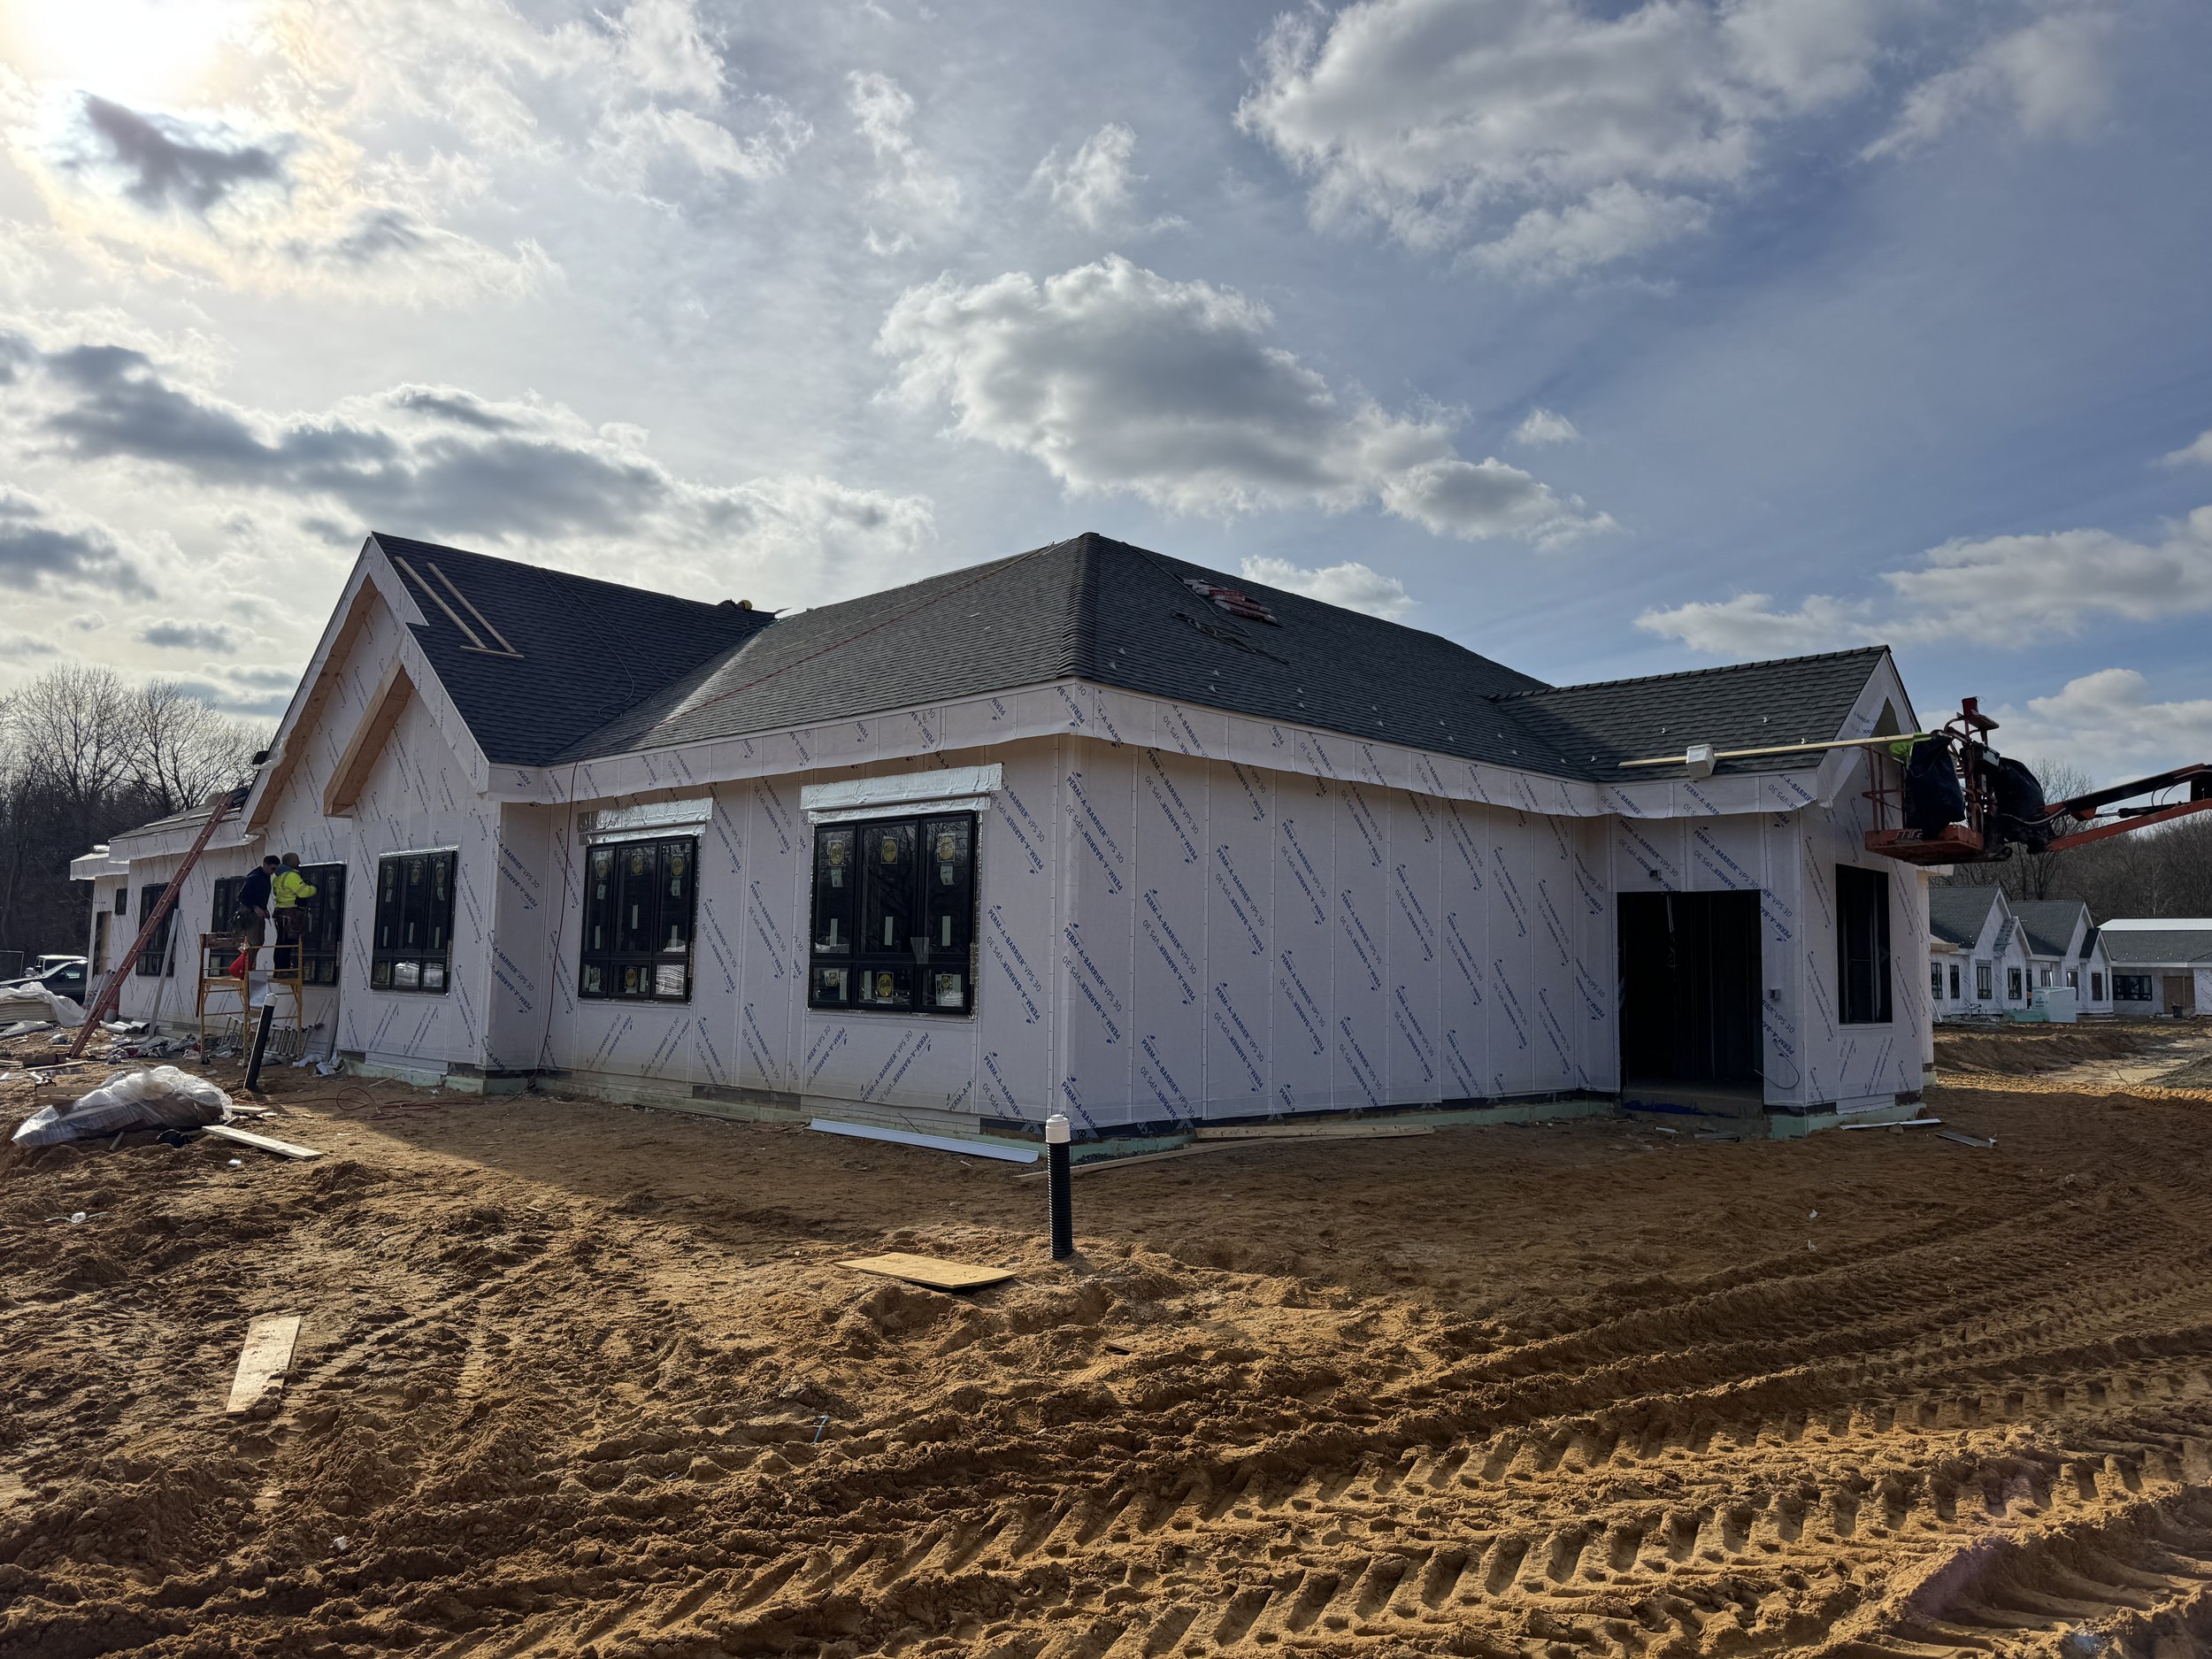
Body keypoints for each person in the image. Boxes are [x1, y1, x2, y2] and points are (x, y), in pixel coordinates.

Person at [272, 854, 317, 973]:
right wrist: (314, 887)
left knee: (281, 942)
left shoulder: (278, 876)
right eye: (297, 861)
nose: (299, 862)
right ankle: (284, 970)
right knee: (287, 943)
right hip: (290, 912)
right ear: (290, 862)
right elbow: (304, 892)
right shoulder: (291, 875)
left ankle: (279, 970)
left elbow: (277, 893)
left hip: (280, 911)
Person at [234, 855, 280, 950]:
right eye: (272, 868)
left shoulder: (265, 876)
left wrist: (264, 909)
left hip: (258, 914)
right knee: (252, 944)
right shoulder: (255, 877)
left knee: (258, 942)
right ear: (265, 865)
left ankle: (248, 964)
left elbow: (260, 896)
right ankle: (245, 965)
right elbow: (242, 896)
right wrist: (255, 907)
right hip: (250, 915)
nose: (273, 872)